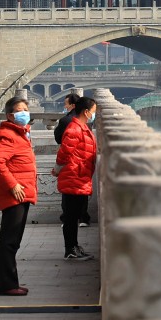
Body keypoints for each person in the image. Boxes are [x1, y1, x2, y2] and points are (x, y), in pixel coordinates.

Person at [0, 96, 38, 296]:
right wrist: (13, 184)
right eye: (20, 110)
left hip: (22, 193)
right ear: (10, 115)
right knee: (9, 240)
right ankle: (7, 285)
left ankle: (9, 282)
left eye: (26, 108)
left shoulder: (20, 134)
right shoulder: (8, 135)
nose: (25, 113)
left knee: (13, 240)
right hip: (15, 194)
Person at [54, 97, 98, 261]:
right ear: (86, 112)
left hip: (79, 177)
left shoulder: (82, 127)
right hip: (73, 177)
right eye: (93, 112)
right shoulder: (75, 129)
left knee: (74, 215)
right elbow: (64, 153)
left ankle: (74, 246)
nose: (94, 115)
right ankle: (70, 249)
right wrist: (58, 169)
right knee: (71, 217)